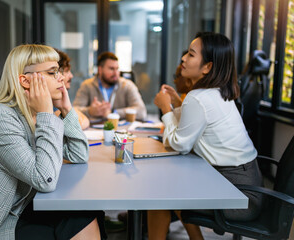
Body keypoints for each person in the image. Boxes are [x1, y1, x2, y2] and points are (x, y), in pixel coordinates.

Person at [0, 44, 105, 240]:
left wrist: (66, 109)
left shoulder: (34, 115)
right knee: (79, 218)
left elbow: (79, 155)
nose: (61, 78)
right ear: (25, 80)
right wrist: (47, 114)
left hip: (19, 207)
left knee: (85, 210)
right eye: (52, 72)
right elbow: (44, 180)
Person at [149, 32, 263, 240]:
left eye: (191, 55)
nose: (183, 58)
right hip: (248, 186)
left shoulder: (199, 97)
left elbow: (178, 144)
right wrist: (177, 103)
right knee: (171, 187)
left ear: (207, 67)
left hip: (238, 194)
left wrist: (166, 109)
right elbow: (197, 123)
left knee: (160, 193)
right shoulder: (215, 92)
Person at [73, 51, 147, 120]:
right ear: (100, 70)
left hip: (121, 130)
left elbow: (142, 112)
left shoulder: (127, 85)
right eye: (111, 69)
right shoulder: (87, 85)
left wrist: (114, 112)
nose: (116, 73)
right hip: (94, 130)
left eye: (117, 69)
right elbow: (74, 111)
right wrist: (90, 111)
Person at [54, 48, 90, 129]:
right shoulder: (51, 102)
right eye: (67, 71)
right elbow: (80, 124)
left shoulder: (59, 98)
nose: (71, 76)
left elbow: (84, 121)